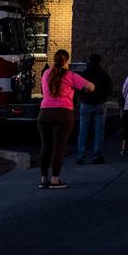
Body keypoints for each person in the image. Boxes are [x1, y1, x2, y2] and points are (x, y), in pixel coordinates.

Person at [37, 49, 94, 189]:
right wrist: (81, 89)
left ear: (54, 60)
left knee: (46, 146)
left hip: (44, 113)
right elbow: (91, 86)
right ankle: (55, 180)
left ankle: (44, 179)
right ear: (66, 61)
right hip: (63, 113)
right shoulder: (71, 75)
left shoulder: (46, 73)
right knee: (59, 147)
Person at [76, 53, 112, 165]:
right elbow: (109, 89)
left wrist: (81, 97)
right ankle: (97, 156)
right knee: (99, 131)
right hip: (100, 103)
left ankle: (81, 156)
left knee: (83, 131)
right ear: (99, 62)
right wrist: (103, 96)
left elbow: (78, 88)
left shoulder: (84, 74)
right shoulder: (103, 74)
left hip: (86, 103)